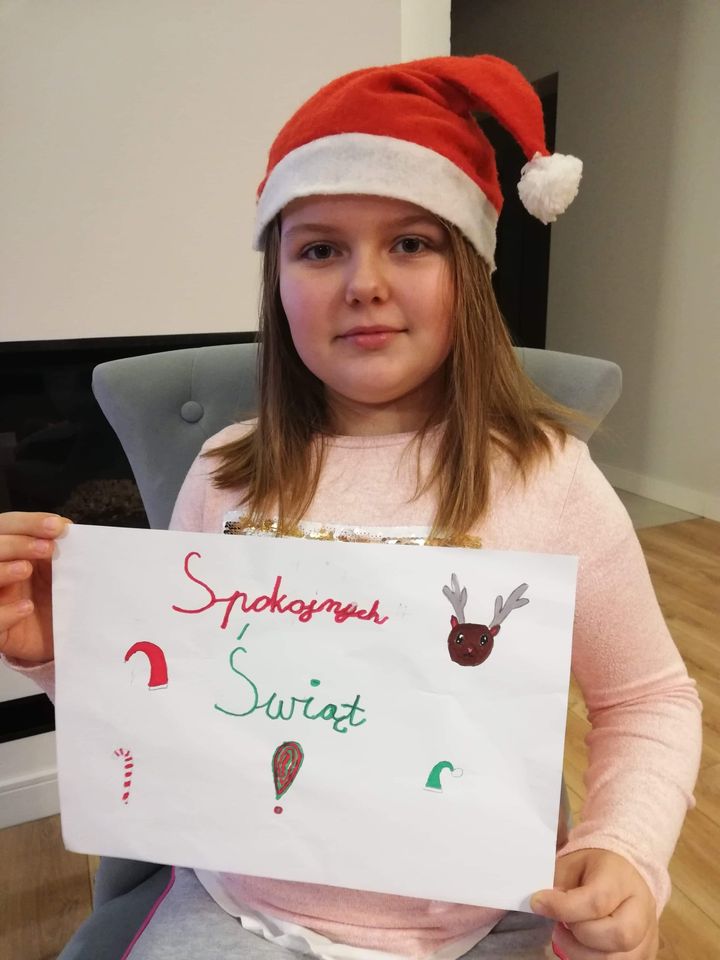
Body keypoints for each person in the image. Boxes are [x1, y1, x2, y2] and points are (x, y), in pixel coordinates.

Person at [0, 54, 702, 960]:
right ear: (279, 282)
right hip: (237, 907)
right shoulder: (224, 473)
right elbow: (179, 708)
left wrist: (624, 849)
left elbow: (648, 698)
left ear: (471, 273)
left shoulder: (548, 479)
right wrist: (62, 654)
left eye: (411, 242)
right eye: (320, 248)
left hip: (481, 917)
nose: (363, 282)